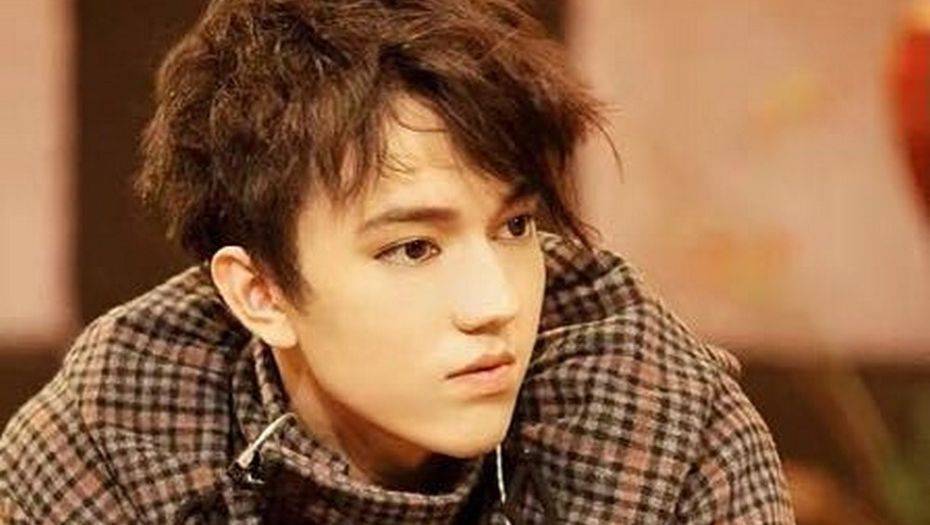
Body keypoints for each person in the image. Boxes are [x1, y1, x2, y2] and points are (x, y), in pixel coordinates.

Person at [0, 0, 794, 523]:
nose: (495, 302)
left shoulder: (656, 417)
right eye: (413, 247)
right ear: (261, 292)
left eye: (516, 226)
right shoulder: (111, 447)